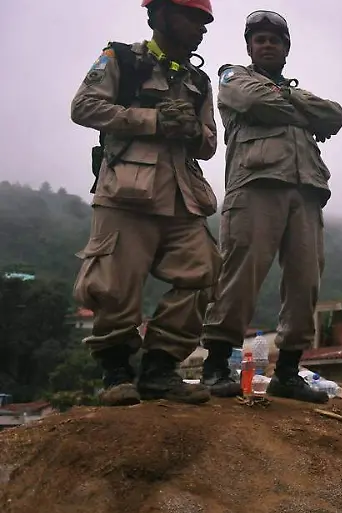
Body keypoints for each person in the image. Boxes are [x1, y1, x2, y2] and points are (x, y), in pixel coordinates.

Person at [70, 0, 220, 406]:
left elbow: (209, 144)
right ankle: (116, 372)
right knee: (115, 284)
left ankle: (160, 368)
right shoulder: (121, 58)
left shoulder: (199, 81)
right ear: (160, 15)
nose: (201, 28)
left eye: (204, 21)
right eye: (192, 17)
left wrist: (191, 130)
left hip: (182, 195)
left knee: (203, 272)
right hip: (126, 191)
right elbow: (83, 107)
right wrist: (152, 120)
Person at [199, 10, 342, 403]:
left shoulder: (295, 91)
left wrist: (287, 98)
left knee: (306, 280)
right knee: (240, 273)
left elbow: (335, 115)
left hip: (307, 191)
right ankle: (214, 366)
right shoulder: (233, 77)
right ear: (249, 47)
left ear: (285, 49)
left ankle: (288, 371)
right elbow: (249, 99)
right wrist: (300, 110)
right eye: (259, 39)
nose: (266, 45)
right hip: (255, 186)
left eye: (274, 40)